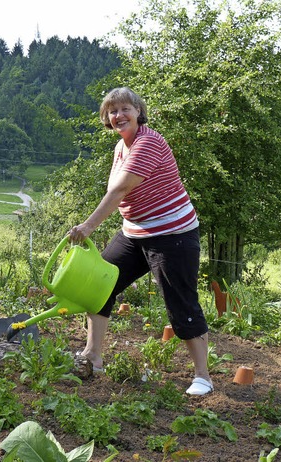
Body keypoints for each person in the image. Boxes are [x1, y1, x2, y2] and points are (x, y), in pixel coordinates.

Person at [69, 87, 213, 396]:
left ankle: (203, 376)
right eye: (112, 111)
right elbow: (119, 195)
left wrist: (89, 226)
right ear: (107, 118)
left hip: (172, 235)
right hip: (135, 232)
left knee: (180, 302)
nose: (118, 115)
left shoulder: (149, 143)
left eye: (125, 109)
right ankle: (92, 356)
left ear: (138, 112)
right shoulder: (122, 147)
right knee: (99, 284)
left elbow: (119, 191)